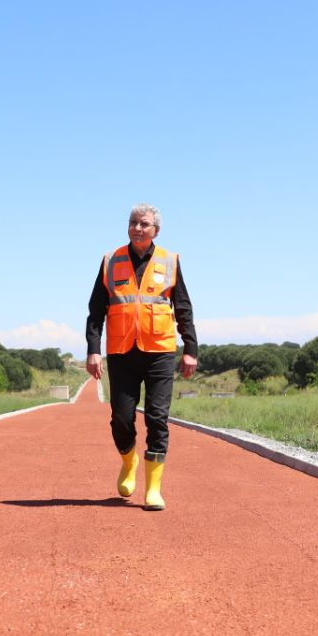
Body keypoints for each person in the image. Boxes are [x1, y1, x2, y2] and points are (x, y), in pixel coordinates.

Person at [86, 203, 198, 511]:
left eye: (144, 224)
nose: (137, 227)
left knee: (157, 418)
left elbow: (184, 309)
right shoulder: (111, 260)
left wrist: (190, 349)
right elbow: (96, 310)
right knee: (121, 419)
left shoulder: (170, 261)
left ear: (155, 231)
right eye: (133, 222)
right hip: (121, 351)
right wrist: (93, 349)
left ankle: (153, 490)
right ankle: (128, 459)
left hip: (160, 351)